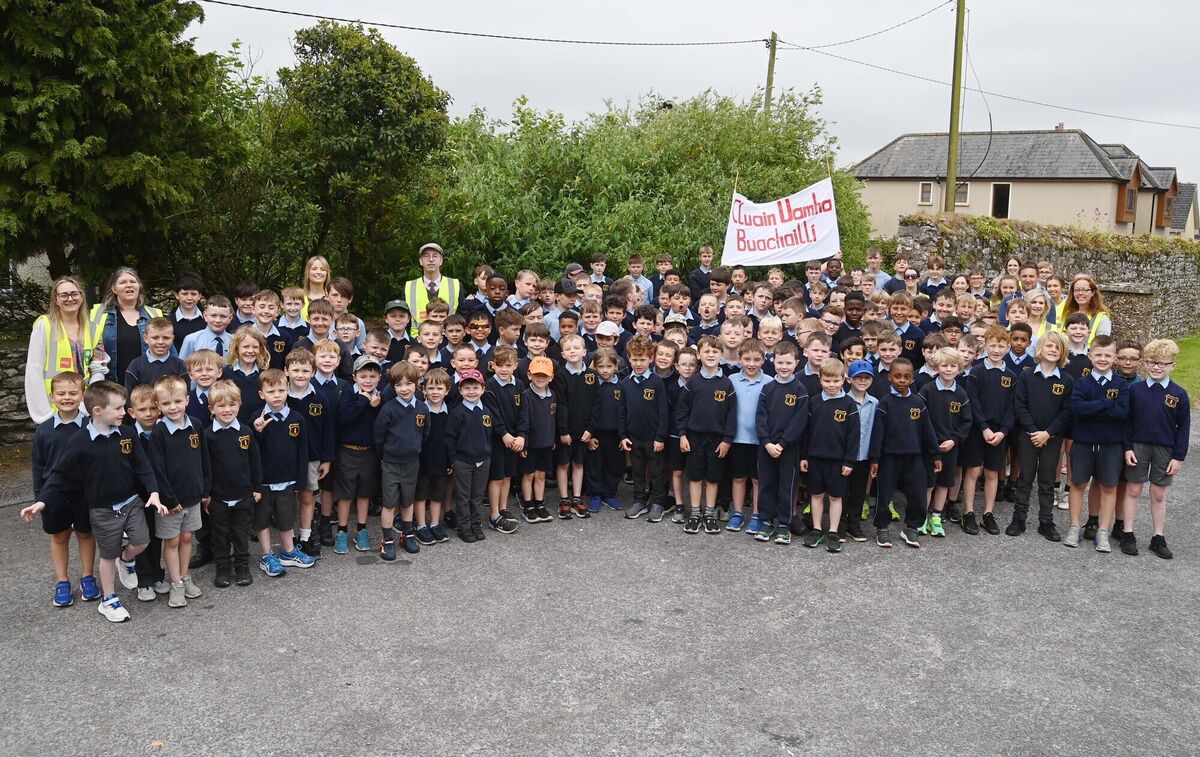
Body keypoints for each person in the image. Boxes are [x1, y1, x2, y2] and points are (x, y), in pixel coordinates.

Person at [24, 381, 165, 622]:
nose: (124, 412)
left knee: (142, 541)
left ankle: (127, 558)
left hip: (131, 502)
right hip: (102, 510)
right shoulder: (79, 441)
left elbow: (143, 467)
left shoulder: (127, 434)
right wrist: (42, 501)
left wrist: (153, 492)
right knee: (108, 556)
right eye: (119, 408)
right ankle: (109, 600)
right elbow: (59, 473)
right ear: (98, 411)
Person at [24, 371, 97, 608]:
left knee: (85, 533)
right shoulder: (44, 430)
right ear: (51, 396)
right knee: (59, 535)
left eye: (73, 393)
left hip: (84, 492)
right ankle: (62, 581)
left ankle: (88, 576)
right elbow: (39, 465)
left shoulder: (90, 425)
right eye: (61, 393)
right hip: (53, 494)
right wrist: (40, 496)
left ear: (83, 395)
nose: (67, 397)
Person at [1121, 339, 1189, 559]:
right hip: (1138, 446)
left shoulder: (1179, 394)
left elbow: (1184, 427)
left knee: (1158, 494)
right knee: (1133, 490)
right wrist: (1128, 447)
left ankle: (1158, 537)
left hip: (1165, 449)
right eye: (1151, 362)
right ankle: (1128, 533)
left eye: (1162, 363)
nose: (1156, 367)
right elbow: (1127, 422)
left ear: (1172, 365)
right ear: (1145, 364)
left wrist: (1178, 457)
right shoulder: (1136, 390)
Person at [145, 375, 209, 607]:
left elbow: (204, 459)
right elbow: (157, 470)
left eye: (177, 402)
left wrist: (205, 489)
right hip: (170, 501)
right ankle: (175, 584)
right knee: (171, 541)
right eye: (166, 403)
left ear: (187, 400)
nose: (172, 407)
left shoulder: (196, 426)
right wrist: (170, 499)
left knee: (187, 537)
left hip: (193, 497)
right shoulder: (159, 433)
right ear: (158, 405)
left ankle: (185, 576)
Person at [1064, 336, 1128, 552]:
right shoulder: (1082, 383)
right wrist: (1105, 404)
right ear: (1090, 356)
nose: (1102, 359)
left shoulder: (1121, 384)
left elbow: (1122, 412)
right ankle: (1074, 526)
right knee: (1078, 483)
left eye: (1107, 355)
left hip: (1111, 445)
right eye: (1098, 354)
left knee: (1109, 486)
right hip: (1083, 442)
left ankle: (1103, 532)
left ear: (1115, 358)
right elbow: (1078, 410)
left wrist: (1093, 408)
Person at [869, 359, 941, 549]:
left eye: (906, 377)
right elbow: (877, 434)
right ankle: (882, 528)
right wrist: (875, 458)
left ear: (912, 378)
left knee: (918, 494)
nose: (902, 380)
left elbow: (928, 431)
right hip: (889, 457)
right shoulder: (885, 403)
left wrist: (936, 455)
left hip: (914, 457)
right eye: (897, 376)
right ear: (889, 377)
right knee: (885, 493)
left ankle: (911, 527)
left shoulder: (918, 402)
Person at [252, 369, 315, 575]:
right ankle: (267, 554)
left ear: (287, 390)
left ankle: (288, 551)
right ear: (262, 394)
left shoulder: (297, 419)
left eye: (281, 390)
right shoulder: (256, 419)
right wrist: (257, 432)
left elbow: (303, 451)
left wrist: (300, 480)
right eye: (271, 391)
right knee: (262, 518)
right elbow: (251, 453)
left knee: (286, 516)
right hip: (264, 482)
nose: (277, 395)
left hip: (287, 481)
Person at [1010, 331, 1072, 540]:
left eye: (1057, 347)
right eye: (1049, 346)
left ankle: (1046, 521)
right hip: (1028, 436)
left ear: (1062, 352)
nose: (1053, 350)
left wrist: (1048, 433)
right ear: (1039, 349)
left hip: (1052, 439)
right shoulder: (1027, 375)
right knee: (1025, 478)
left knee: (1046, 480)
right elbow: (1019, 404)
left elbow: (1067, 411)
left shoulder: (1066, 380)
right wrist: (1033, 430)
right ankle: (1018, 518)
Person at [204, 380, 262, 588]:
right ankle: (222, 567)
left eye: (231, 404)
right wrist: (206, 495)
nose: (227, 410)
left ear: (239, 405)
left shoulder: (246, 432)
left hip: (243, 495)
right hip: (218, 497)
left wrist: (257, 487)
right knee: (220, 534)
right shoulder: (207, 435)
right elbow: (205, 467)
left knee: (240, 532)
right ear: (211, 409)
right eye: (221, 405)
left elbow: (255, 462)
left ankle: (243, 566)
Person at [677, 335, 737, 535]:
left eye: (715, 351)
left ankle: (709, 513)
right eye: (707, 351)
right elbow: (682, 411)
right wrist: (683, 434)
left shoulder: (727, 384)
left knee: (712, 478)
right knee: (694, 476)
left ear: (721, 355)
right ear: (699, 355)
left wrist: (727, 440)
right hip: (694, 437)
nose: (711, 354)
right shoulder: (692, 382)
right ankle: (695, 513)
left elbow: (731, 415)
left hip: (718, 439)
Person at [26, 276, 105, 424]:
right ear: (56, 300)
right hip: (52, 408)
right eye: (64, 295)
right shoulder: (44, 326)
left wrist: (86, 403)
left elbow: (98, 369)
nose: (70, 299)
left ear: (81, 296)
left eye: (74, 293)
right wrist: (44, 415)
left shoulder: (93, 328)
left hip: (83, 408)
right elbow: (33, 370)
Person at [800, 358, 860, 550]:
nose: (831, 385)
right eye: (827, 381)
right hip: (815, 459)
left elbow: (854, 436)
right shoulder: (814, 402)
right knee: (816, 494)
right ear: (820, 380)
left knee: (835, 497)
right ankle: (817, 529)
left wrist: (849, 461)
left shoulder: (849, 404)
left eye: (835, 381)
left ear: (843, 379)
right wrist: (804, 456)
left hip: (838, 461)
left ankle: (833, 532)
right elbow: (806, 432)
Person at [373, 361, 428, 560]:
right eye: (398, 385)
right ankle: (387, 540)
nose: (404, 389)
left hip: (412, 462)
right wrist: (385, 456)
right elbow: (379, 436)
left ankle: (407, 534)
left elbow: (425, 434)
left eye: (408, 384)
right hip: (391, 462)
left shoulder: (422, 408)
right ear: (393, 387)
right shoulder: (388, 409)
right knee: (389, 503)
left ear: (417, 383)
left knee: (407, 500)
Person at [331, 354, 381, 554]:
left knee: (364, 493)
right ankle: (342, 531)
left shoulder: (379, 398)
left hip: (368, 453)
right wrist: (362, 400)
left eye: (372, 376)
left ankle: (361, 529)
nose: (368, 380)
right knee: (345, 494)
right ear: (354, 377)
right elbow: (344, 418)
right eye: (363, 376)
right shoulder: (349, 395)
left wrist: (375, 407)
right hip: (347, 451)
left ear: (379, 378)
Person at [89, 267, 165, 388]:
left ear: (139, 286)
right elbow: (90, 349)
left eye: (133, 282)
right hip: (110, 386)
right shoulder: (99, 314)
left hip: (147, 386)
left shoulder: (154, 314)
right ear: (114, 289)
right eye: (123, 282)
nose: (129, 285)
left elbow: (167, 349)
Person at [619, 337, 669, 521]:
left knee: (656, 472)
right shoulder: (625, 384)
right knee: (638, 472)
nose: (638, 363)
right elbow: (622, 412)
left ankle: (658, 503)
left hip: (653, 438)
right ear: (629, 358)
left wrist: (661, 437)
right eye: (634, 359)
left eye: (642, 359)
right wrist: (623, 435)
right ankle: (639, 501)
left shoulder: (657, 382)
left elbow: (664, 412)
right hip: (634, 437)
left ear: (651, 358)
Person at [445, 369, 492, 543]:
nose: (471, 392)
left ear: (482, 389)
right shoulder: (458, 413)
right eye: (467, 388)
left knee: (477, 495)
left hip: (483, 461)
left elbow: (488, 435)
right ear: (460, 390)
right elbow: (450, 438)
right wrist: (453, 460)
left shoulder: (486, 411)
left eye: (475, 387)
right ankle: (464, 527)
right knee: (463, 496)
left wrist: (487, 454)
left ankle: (475, 524)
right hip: (463, 461)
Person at [726, 339, 766, 532]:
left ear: (763, 361)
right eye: (747, 359)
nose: (751, 364)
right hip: (737, 438)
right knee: (739, 477)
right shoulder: (731, 380)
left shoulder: (770, 383)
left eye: (756, 359)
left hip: (760, 440)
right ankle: (738, 512)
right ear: (739, 358)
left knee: (758, 479)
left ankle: (757, 514)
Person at [519, 356, 561, 521]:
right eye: (537, 375)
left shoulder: (553, 396)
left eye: (544, 375)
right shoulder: (526, 396)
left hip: (546, 443)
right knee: (529, 475)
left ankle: (539, 503)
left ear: (551, 377)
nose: (540, 378)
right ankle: (528, 505)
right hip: (530, 444)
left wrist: (552, 439)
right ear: (529, 375)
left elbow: (553, 420)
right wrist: (524, 443)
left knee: (541, 475)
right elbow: (524, 421)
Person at [585, 348, 626, 513]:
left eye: (609, 366)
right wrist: (590, 435)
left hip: (615, 434)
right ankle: (595, 494)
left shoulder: (622, 386)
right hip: (596, 434)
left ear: (616, 367)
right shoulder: (591, 385)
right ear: (595, 367)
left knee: (614, 464)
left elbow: (625, 412)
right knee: (594, 465)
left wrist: (623, 435)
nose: (605, 370)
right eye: (600, 366)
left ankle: (609, 493)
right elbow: (586, 411)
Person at [405, 243, 463, 336]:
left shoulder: (456, 285)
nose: (431, 259)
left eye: (435, 256)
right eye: (426, 256)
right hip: (418, 342)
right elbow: (405, 320)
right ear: (420, 261)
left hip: (448, 341)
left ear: (441, 261)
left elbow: (461, 317)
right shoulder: (409, 287)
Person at [124, 318, 187, 395]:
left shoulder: (180, 366)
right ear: (146, 338)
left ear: (172, 339)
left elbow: (185, 394)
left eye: (166, 338)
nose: (160, 342)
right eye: (155, 338)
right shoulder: (135, 366)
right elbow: (130, 397)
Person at [1061, 274, 1112, 347]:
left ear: (1092, 293)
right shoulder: (1067, 314)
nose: (1080, 293)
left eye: (1085, 290)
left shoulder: (1102, 318)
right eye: (1077, 290)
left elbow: (1102, 346)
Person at [179, 295, 233, 360]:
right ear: (205, 316)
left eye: (223, 316)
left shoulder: (234, 341)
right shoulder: (192, 340)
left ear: (230, 318)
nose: (218, 320)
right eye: (213, 315)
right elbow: (182, 367)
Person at [168, 271, 207, 351]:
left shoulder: (208, 320)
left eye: (193, 294)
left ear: (200, 295)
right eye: (185, 294)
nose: (189, 298)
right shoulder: (169, 322)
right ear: (176, 295)